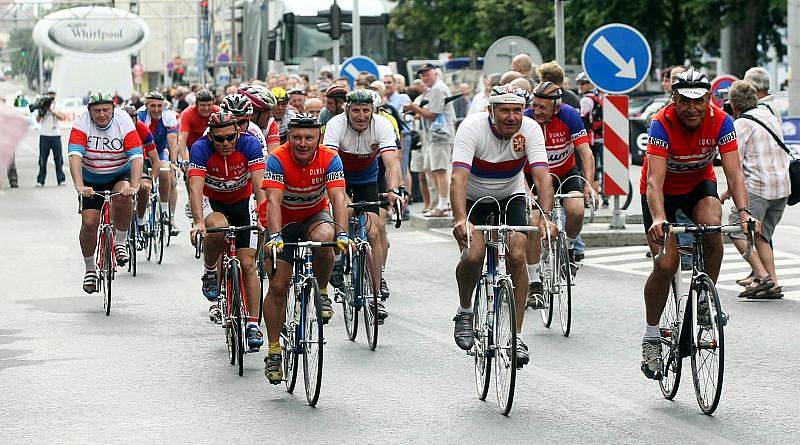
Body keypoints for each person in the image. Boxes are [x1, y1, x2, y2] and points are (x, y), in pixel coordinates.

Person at [639, 70, 758, 379]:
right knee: (666, 264)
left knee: (713, 227)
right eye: (684, 102)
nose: (692, 109)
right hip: (661, 193)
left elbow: (734, 175)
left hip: (698, 186)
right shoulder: (661, 124)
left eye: (699, 102)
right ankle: (651, 336)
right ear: (674, 100)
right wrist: (659, 218)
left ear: (709, 100)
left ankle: (704, 298)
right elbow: (654, 181)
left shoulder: (721, 121)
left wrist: (744, 212)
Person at [450, 85, 554, 367]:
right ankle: (465, 310)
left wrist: (546, 216)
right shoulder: (471, 128)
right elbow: (458, 178)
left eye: (517, 111)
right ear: (491, 111)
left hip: (512, 196)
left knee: (518, 254)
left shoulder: (531, 129)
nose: (511, 117)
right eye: (505, 111)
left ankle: (516, 335)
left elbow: (543, 176)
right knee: (474, 254)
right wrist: (461, 218)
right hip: (474, 199)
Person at [261, 114, 349, 383]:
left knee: (326, 238)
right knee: (278, 286)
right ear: (289, 138)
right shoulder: (277, 158)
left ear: (318, 138)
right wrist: (275, 235)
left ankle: (321, 291)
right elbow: (273, 202)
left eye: (308, 138)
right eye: (297, 137)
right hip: (283, 221)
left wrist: (342, 233)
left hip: (313, 216)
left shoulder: (330, 158)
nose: (302, 143)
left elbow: (337, 197)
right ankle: (274, 351)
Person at [188, 111, 266, 349]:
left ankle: (253, 324)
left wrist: (263, 217)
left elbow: (260, 184)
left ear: (238, 134)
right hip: (214, 202)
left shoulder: (250, 144)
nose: (225, 143)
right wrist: (199, 221)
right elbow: (195, 187)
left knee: (248, 264)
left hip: (242, 203)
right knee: (217, 227)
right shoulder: (201, 148)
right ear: (210, 137)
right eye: (219, 139)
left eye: (230, 137)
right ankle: (211, 269)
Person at [323, 90, 402, 318]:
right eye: (355, 110)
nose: (361, 115)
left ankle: (375, 294)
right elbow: (329, 161)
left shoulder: (382, 125)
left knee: (374, 230)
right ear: (347, 110)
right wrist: (339, 195)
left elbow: (391, 162)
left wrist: (393, 190)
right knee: (344, 213)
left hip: (367, 178)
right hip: (340, 176)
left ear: (372, 111)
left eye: (366, 110)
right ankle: (338, 259)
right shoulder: (336, 125)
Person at [524, 82, 596, 308]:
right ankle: (535, 283)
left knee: (576, 209)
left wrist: (590, 185)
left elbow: (586, 153)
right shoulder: (525, 119)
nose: (537, 110)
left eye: (542, 107)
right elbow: (513, 160)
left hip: (565, 172)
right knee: (534, 222)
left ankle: (571, 249)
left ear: (557, 107)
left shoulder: (569, 115)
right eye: (534, 105)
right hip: (533, 175)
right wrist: (526, 193)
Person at [67, 92, 143, 292]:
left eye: (106, 110)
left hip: (119, 173)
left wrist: (134, 186)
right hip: (91, 178)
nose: (102, 115)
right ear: (89, 111)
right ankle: (90, 269)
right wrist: (79, 186)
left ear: (113, 109)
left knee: (124, 194)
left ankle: (120, 241)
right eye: (97, 111)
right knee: (90, 223)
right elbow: (74, 155)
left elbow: (136, 156)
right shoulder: (81, 122)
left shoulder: (124, 120)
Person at [723, 80, 789, 299]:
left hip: (759, 188)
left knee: (735, 227)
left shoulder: (741, 124)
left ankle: (763, 277)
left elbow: (734, 164)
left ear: (733, 104)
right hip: (782, 188)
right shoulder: (769, 115)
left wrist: (725, 193)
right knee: (762, 237)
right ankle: (773, 283)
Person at [403, 64, 456, 217]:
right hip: (434, 136)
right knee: (433, 170)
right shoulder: (433, 90)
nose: (425, 78)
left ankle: (444, 204)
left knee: (440, 170)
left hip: (440, 135)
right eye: (423, 75)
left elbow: (433, 114)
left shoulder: (438, 89)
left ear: (435, 73)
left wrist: (414, 108)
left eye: (428, 74)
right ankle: (440, 203)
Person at [138, 91, 180, 236]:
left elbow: (172, 141)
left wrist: (173, 162)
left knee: (166, 172)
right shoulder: (140, 116)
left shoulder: (168, 116)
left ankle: (166, 213)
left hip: (161, 150)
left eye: (159, 106)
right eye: (152, 106)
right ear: (146, 106)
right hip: (143, 151)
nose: (156, 109)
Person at [122, 105, 163, 238]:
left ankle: (140, 220)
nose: (129, 122)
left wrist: (153, 180)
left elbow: (155, 160)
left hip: (140, 161)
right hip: (119, 164)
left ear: (136, 119)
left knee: (144, 187)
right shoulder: (114, 129)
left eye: (132, 119)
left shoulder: (142, 128)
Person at [238, 83, 281, 155]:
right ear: (254, 113)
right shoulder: (233, 125)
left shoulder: (270, 123)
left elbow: (273, 154)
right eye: (267, 112)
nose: (270, 115)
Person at [35, 90, 67, 187]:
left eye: (53, 94)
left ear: (55, 96)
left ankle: (61, 179)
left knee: (58, 159)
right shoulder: (42, 105)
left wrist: (53, 111)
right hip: (44, 135)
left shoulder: (58, 106)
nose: (51, 96)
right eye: (49, 94)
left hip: (56, 135)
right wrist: (42, 112)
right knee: (42, 159)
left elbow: (62, 117)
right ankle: (40, 180)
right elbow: (38, 120)